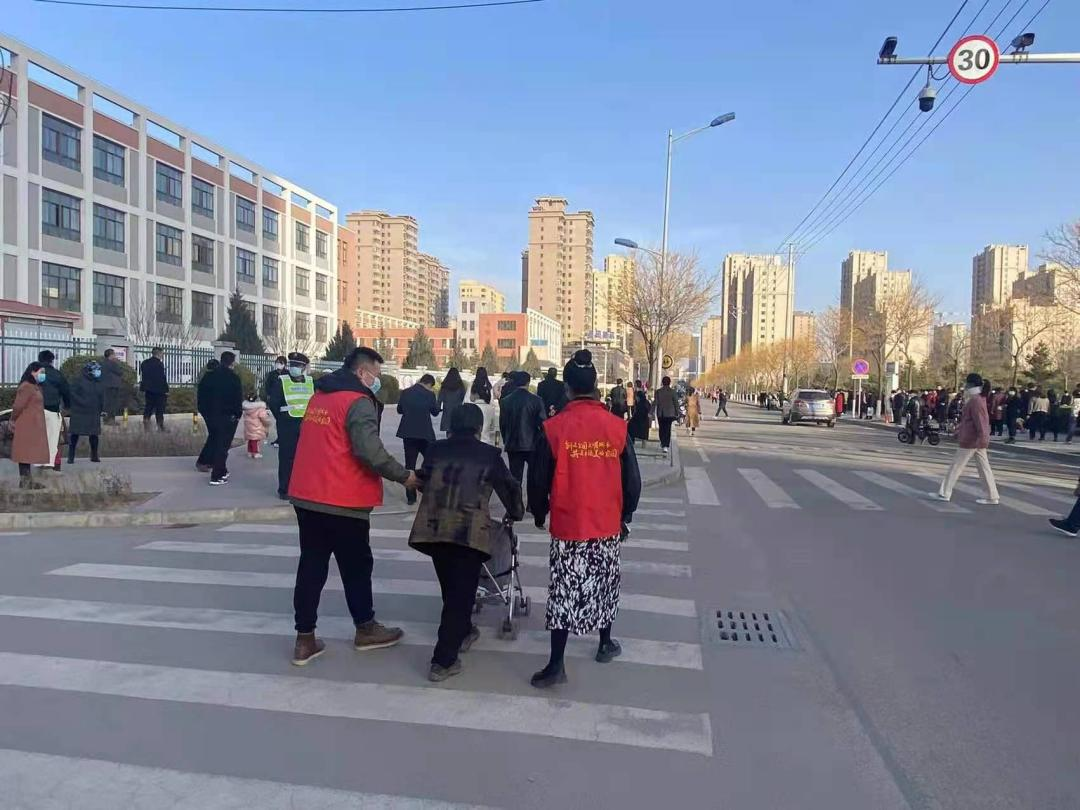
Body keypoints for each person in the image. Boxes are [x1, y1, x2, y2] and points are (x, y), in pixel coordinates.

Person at [287, 347, 418, 666]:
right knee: (356, 567)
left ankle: (304, 639)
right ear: (362, 373)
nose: (377, 381)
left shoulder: (321, 396)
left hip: (307, 494)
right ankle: (365, 628)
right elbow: (369, 451)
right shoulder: (357, 401)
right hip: (343, 498)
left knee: (311, 566)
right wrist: (405, 477)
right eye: (376, 375)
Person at [527, 349, 641, 688]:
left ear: (568, 389)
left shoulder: (553, 428)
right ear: (595, 386)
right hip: (606, 524)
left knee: (564, 590)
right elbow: (632, 481)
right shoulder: (617, 427)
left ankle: (556, 664)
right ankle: (605, 643)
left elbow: (537, 479)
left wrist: (539, 512)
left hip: (568, 525)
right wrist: (625, 515)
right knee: (605, 583)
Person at [408, 403, 524, 681]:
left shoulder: (435, 450)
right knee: (460, 597)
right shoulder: (489, 455)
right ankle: (443, 661)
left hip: (434, 530)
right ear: (478, 427)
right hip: (468, 533)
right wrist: (515, 512)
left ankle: (464, 630)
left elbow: (425, 479)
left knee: (452, 589)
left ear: (452, 425)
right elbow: (509, 487)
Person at [930, 373, 999, 506]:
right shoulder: (977, 399)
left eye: (967, 383)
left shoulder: (975, 400)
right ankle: (992, 496)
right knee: (984, 469)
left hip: (971, 440)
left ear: (971, 384)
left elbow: (981, 421)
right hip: (975, 439)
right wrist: (959, 430)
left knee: (956, 466)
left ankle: (944, 493)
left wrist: (983, 437)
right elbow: (970, 421)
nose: (965, 385)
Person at [266, 352, 315, 499]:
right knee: (287, 458)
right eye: (293, 365)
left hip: (306, 425)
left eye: (298, 365)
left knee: (305, 458)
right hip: (287, 424)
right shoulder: (282, 381)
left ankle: (301, 487)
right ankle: (285, 489)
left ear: (304, 367)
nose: (295, 368)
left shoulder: (310, 382)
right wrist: (282, 418)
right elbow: (274, 403)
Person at [197, 351, 244, 486]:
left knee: (215, 439)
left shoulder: (209, 376)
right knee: (222, 446)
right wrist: (237, 415)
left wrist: (204, 411)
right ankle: (217, 475)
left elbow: (201, 396)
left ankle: (215, 466)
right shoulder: (233, 378)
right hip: (227, 417)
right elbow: (237, 399)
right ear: (232, 363)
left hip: (210, 415)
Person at [396, 372, 440, 505]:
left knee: (410, 465)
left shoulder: (405, 392)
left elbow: (399, 410)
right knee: (432, 461)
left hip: (408, 433)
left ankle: (411, 497)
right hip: (425, 434)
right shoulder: (430, 395)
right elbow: (435, 412)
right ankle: (427, 489)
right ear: (429, 384)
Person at [498, 370, 545, 486]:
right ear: (528, 382)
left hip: (513, 443)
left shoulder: (505, 401)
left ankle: (516, 497)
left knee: (515, 477)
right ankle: (531, 498)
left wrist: (506, 439)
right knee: (533, 477)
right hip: (532, 443)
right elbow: (543, 423)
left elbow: (502, 424)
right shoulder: (536, 400)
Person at [11, 362, 50, 489]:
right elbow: (18, 406)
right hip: (26, 424)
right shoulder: (26, 387)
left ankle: (27, 480)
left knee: (27, 452)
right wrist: (12, 419)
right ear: (33, 372)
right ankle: (25, 481)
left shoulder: (35, 387)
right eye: (41, 372)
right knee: (24, 453)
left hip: (32, 424)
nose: (43, 375)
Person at [36, 350, 70, 471]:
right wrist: (67, 407)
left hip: (36, 411)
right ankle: (55, 466)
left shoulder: (33, 373)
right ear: (52, 360)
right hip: (53, 410)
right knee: (56, 439)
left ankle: (41, 464)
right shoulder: (57, 374)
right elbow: (66, 392)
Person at [67, 360, 104, 464]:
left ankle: (94, 455)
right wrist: (81, 402)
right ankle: (71, 456)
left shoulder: (98, 382)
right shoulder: (79, 381)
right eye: (96, 370)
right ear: (89, 371)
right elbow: (72, 394)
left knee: (94, 435)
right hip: (79, 411)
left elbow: (101, 397)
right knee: (75, 434)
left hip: (93, 412)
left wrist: (101, 408)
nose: (98, 372)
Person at [139, 347, 169, 432]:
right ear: (158, 353)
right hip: (159, 390)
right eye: (162, 353)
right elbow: (161, 378)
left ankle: (146, 423)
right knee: (159, 409)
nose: (163, 355)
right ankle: (160, 426)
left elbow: (144, 376)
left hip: (148, 389)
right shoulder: (159, 364)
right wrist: (166, 390)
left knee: (148, 407)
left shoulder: (144, 363)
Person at [263, 355, 288, 448]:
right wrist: (269, 396)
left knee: (282, 421)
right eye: (277, 362)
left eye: (281, 363)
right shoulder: (272, 374)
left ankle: (282, 439)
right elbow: (267, 386)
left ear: (285, 364)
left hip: (284, 401)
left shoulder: (287, 374)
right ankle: (280, 438)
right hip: (274, 402)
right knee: (279, 420)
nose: (278, 364)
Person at [242, 392, 271, 459]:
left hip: (249, 426)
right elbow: (263, 417)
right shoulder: (260, 408)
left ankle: (250, 451)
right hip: (257, 426)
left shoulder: (246, 408)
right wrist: (267, 423)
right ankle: (255, 453)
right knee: (255, 440)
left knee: (251, 439)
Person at [438, 367, 466, 436]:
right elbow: (463, 398)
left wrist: (438, 409)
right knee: (456, 432)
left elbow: (439, 399)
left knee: (448, 431)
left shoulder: (444, 386)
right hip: (458, 411)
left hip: (447, 411)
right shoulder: (460, 386)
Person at [653, 376, 677, 453]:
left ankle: (663, 443)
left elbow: (655, 402)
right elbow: (676, 403)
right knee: (667, 429)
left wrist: (651, 412)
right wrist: (677, 413)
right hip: (670, 414)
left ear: (662, 383)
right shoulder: (673, 392)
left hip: (661, 413)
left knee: (661, 429)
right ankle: (666, 445)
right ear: (669, 383)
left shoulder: (658, 391)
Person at [100, 348, 124, 424]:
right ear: (111, 355)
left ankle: (106, 419)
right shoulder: (112, 363)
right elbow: (120, 372)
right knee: (112, 404)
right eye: (114, 354)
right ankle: (111, 420)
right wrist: (117, 363)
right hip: (113, 386)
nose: (115, 356)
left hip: (106, 385)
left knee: (107, 403)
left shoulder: (103, 363)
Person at [627, 382, 651, 447]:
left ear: (639, 397)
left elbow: (637, 412)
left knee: (630, 426)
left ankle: (632, 441)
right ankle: (644, 444)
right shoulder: (646, 402)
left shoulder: (640, 403)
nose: (636, 398)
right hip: (645, 420)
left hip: (638, 419)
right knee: (644, 431)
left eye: (637, 397)